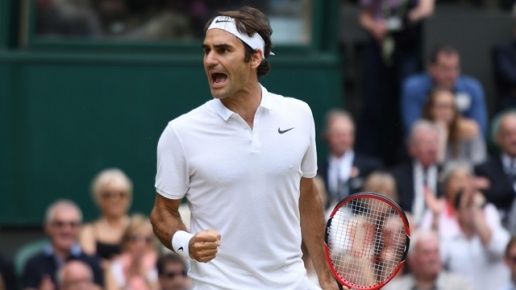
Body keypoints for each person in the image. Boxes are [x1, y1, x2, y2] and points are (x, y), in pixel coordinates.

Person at [150, 6, 340, 290]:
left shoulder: (299, 115)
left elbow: (307, 196)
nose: (210, 60)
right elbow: (162, 212)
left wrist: (325, 278)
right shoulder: (180, 132)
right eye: (206, 50)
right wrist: (185, 243)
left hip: (292, 282)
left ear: (255, 57)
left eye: (223, 50)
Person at [356, 0, 434, 165]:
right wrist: (374, 26)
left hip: (407, 44)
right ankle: (368, 161)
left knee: (405, 103)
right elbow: (364, 16)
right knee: (373, 103)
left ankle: (405, 159)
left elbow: (426, 8)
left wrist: (403, 20)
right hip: (378, 46)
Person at [402, 44, 488, 136]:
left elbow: (480, 131)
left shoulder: (472, 88)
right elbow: (413, 130)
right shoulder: (413, 87)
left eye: (455, 68)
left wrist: (444, 123)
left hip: (463, 146)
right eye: (445, 69)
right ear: (431, 68)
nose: (452, 75)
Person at [22, 200, 104, 290]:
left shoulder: (92, 262)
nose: (66, 230)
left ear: (80, 228)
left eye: (72, 225)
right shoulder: (33, 263)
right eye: (59, 224)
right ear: (48, 227)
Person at [440, 186, 510, 290]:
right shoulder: (448, 240)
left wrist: (478, 219)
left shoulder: (500, 235)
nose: (474, 209)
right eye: (469, 205)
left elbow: (494, 246)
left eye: (480, 205)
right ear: (457, 213)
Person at [318, 109, 383, 209]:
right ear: (328, 137)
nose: (343, 140)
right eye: (339, 135)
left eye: (347, 135)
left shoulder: (371, 168)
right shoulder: (318, 172)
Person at [383, 230, 473, 290]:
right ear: (412, 259)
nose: (432, 258)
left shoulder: (460, 286)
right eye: (426, 253)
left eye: (436, 252)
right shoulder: (394, 288)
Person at [390, 120, 441, 226]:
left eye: (435, 143)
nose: (432, 149)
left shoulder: (447, 177)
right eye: (427, 144)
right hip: (407, 232)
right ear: (412, 148)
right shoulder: (396, 177)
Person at [80, 168, 132, 266]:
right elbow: (89, 263)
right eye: (108, 195)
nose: (115, 200)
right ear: (98, 198)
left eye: (121, 194)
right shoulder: (89, 231)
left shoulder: (139, 228)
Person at [421, 87, 486, 166]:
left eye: (452, 107)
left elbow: (479, 162)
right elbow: (433, 167)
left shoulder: (469, 129)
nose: (447, 112)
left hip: (465, 175)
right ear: (431, 109)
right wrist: (441, 135)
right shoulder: (422, 132)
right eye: (442, 107)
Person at [475, 112, 516, 215]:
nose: (514, 139)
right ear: (498, 138)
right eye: (508, 134)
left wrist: (495, 188)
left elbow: (496, 194)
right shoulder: (484, 169)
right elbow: (483, 203)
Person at [105, 214, 159, 290]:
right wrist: (129, 276)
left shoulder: (159, 265)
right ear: (126, 241)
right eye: (135, 238)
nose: (141, 244)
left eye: (147, 239)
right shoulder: (116, 267)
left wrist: (144, 274)